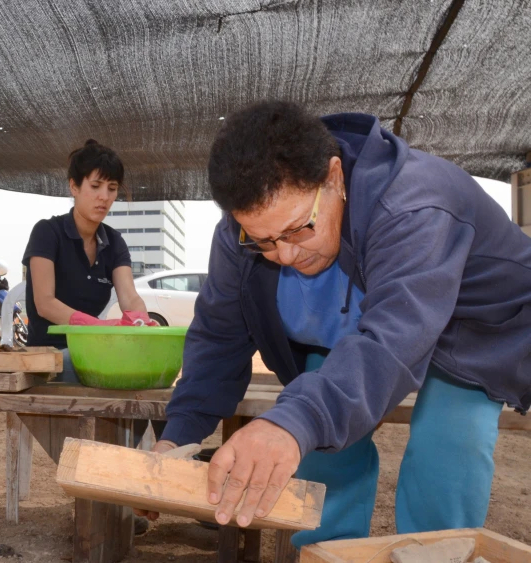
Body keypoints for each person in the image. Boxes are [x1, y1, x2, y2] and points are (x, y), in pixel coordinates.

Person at [137, 101, 531, 548]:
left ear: (334, 178)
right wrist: (179, 437)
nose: (284, 255)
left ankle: (438, 554)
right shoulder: (242, 231)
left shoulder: (413, 204)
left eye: (298, 230)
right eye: (263, 242)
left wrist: (294, 421)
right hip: (371, 323)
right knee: (319, 445)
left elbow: (393, 341)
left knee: (447, 446)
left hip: (475, 329)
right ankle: (328, 554)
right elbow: (219, 334)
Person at [22, 139, 155, 381]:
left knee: (152, 367)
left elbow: (130, 297)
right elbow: (45, 303)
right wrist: (97, 327)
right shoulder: (47, 232)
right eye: (95, 186)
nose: (104, 197)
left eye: (112, 188)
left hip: (92, 350)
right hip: (48, 355)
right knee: (88, 366)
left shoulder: (114, 243)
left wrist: (142, 323)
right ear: (74, 186)